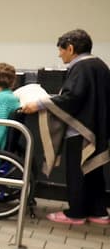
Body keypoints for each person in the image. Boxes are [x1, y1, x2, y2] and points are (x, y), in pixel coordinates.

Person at [20, 29, 109, 225]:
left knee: (77, 172)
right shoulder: (100, 65)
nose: (59, 55)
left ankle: (76, 213)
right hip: (97, 128)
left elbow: (72, 97)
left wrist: (40, 104)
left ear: (70, 48)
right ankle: (99, 212)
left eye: (61, 50)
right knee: (93, 171)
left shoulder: (81, 67)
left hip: (80, 130)